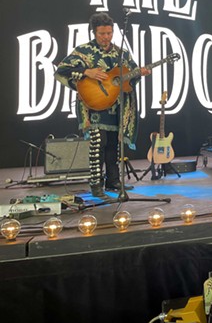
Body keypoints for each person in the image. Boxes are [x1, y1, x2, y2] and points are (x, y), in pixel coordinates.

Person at [55, 13, 150, 198]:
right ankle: (95, 185)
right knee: (98, 144)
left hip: (116, 106)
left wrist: (140, 73)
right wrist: (86, 71)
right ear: (94, 32)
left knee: (114, 145)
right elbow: (62, 69)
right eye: (102, 33)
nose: (106, 37)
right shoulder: (84, 51)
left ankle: (113, 181)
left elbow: (130, 78)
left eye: (109, 33)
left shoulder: (120, 53)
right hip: (94, 106)